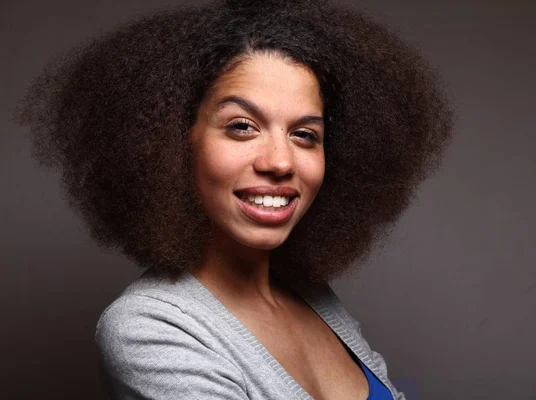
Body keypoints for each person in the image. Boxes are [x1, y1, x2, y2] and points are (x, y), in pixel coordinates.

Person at [17, 0, 453, 398]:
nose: (281, 162)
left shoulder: (312, 296)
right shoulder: (150, 328)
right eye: (242, 126)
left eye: (305, 135)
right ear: (172, 143)